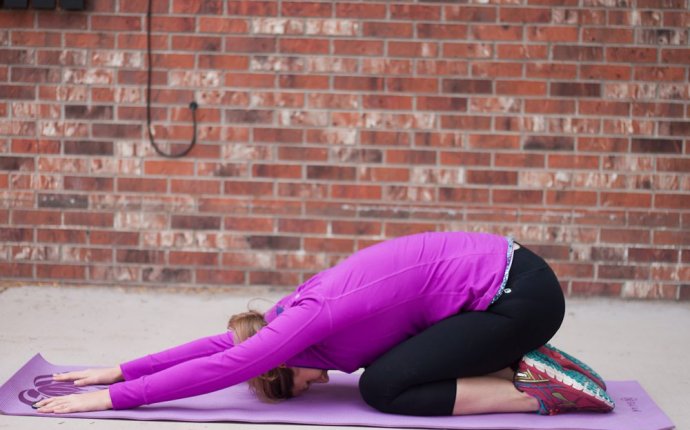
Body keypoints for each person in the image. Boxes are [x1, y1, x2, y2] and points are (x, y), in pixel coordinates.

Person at [34, 231, 615, 416]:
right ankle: (522, 362)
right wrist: (113, 368)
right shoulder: (284, 313)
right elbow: (216, 343)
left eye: (294, 382)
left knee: (383, 388)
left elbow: (229, 363)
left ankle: (538, 392)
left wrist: (113, 400)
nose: (313, 384)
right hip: (511, 282)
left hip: (519, 296)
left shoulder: (303, 324)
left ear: (282, 360)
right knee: (392, 368)